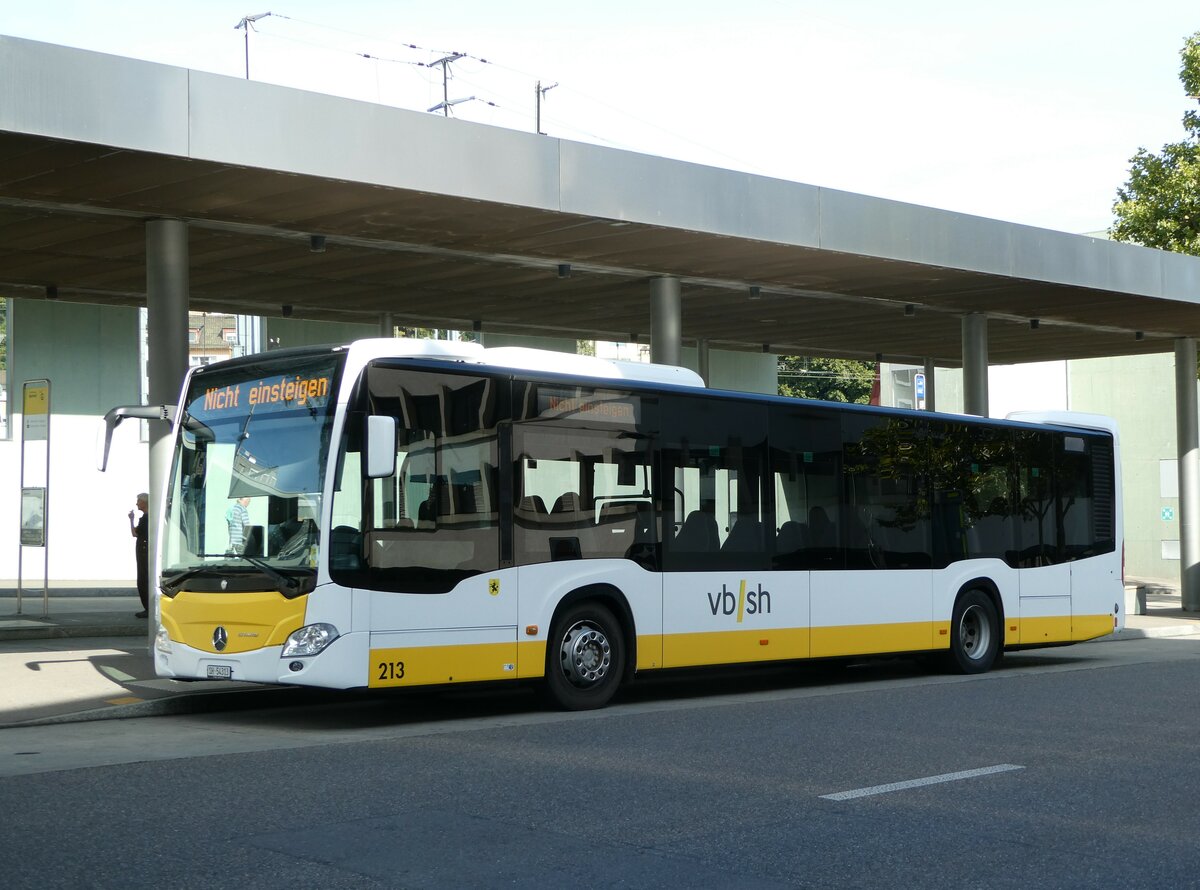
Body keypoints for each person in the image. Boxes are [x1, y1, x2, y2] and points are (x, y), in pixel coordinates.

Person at [128, 493, 149, 619]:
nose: (137, 504)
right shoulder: (148, 518)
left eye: (138, 501)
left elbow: (135, 533)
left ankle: (148, 608)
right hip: (144, 550)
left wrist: (131, 519)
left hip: (143, 551)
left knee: (143, 580)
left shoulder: (145, 518)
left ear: (144, 502)